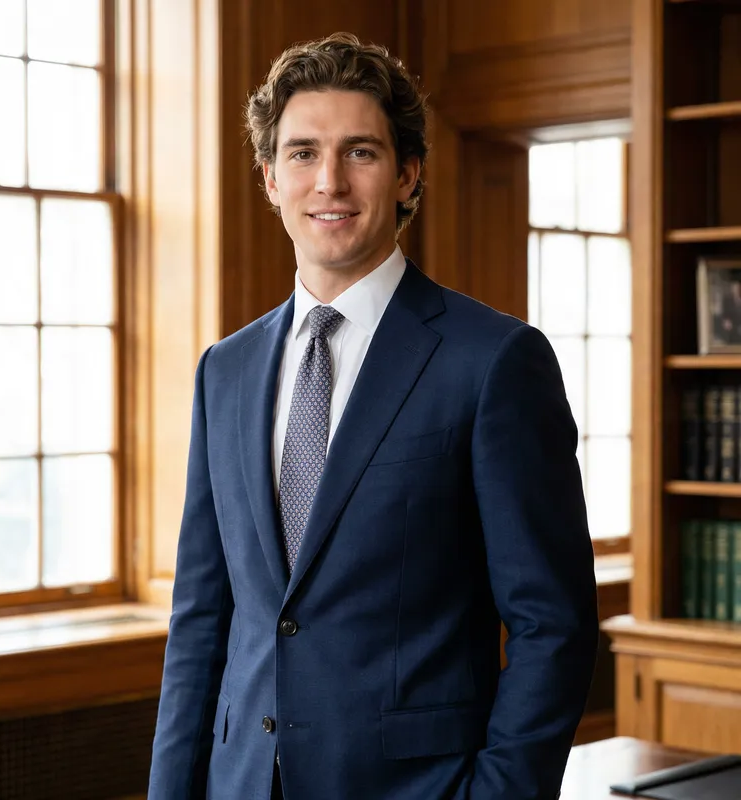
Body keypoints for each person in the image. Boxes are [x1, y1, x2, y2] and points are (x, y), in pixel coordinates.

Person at [148, 32, 599, 800]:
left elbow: (551, 625)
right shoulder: (223, 371)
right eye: (301, 154)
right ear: (268, 178)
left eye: (359, 152)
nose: (329, 181)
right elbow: (201, 618)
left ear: (407, 174)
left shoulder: (494, 363)